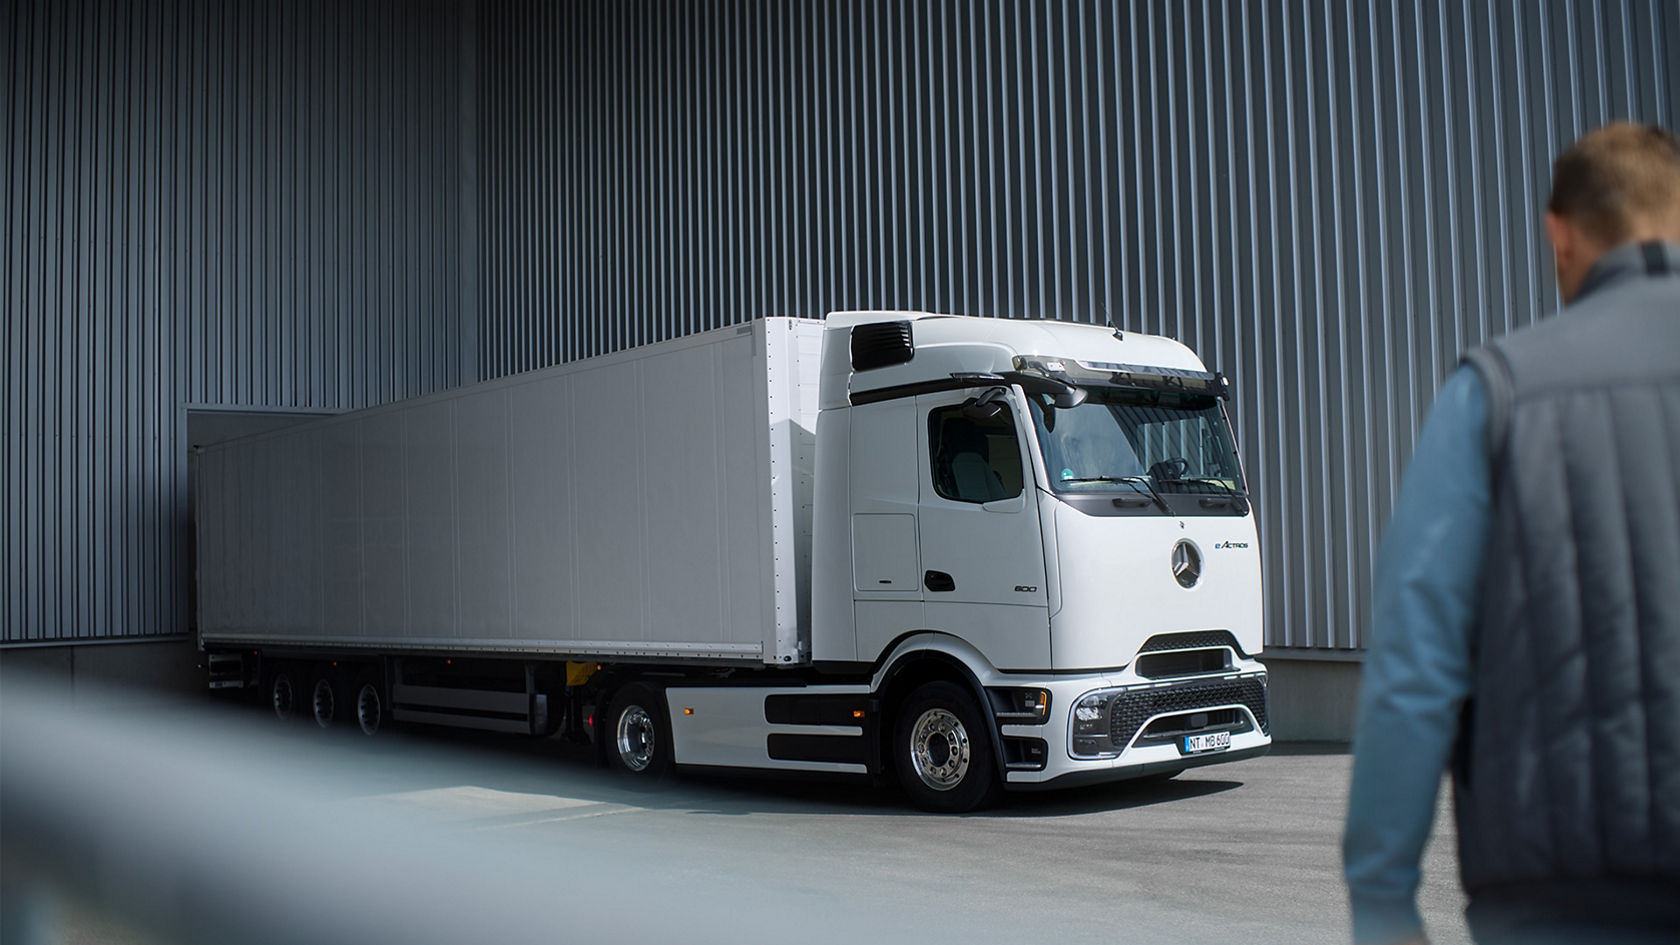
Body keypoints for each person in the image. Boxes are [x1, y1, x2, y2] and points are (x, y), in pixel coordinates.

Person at [1342, 121, 1680, 945]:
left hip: (1560, 897)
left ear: (1558, 233)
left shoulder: (1498, 390)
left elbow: (1414, 665)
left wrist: (1382, 901)